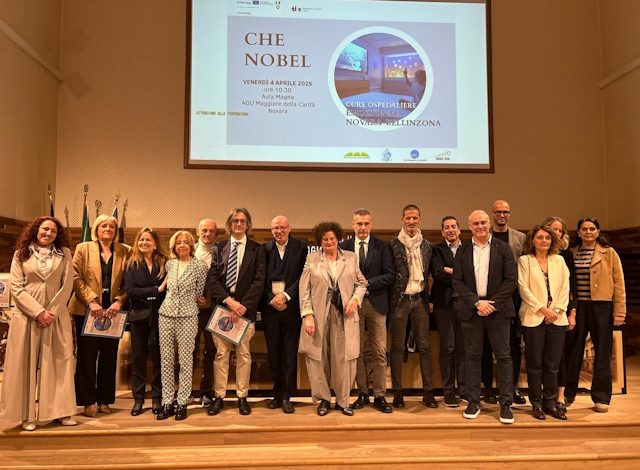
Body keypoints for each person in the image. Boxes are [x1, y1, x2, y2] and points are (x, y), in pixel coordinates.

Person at [0, 217, 77, 431]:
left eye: (53, 231)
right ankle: (26, 415)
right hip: (27, 317)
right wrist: (38, 312)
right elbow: (17, 287)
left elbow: (67, 285)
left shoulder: (64, 254)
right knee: (24, 366)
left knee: (58, 364)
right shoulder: (20, 254)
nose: (48, 233)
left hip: (55, 316)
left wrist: (50, 312)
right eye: (45, 229)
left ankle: (60, 412)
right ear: (35, 230)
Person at [453, 210, 517, 424]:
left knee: (504, 357)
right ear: (469, 226)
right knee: (472, 357)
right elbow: (457, 281)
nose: (480, 226)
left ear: (489, 223)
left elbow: (511, 280)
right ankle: (473, 401)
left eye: (483, 222)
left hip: (499, 311)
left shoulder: (503, 248)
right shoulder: (462, 251)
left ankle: (506, 404)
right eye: (475, 223)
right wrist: (476, 302)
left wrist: (492, 304)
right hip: (472, 310)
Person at [299, 222, 366, 416]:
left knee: (345, 358)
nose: (329, 242)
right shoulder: (311, 259)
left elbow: (362, 284)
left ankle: (343, 401)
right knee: (318, 358)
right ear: (320, 241)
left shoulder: (351, 258)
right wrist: (307, 314)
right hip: (318, 316)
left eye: (332, 239)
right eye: (325, 239)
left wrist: (355, 299)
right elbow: (305, 289)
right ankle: (323, 399)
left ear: (338, 239)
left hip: (344, 315)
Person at [69, 214, 130, 418]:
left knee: (109, 356)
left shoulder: (125, 250)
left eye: (112, 226)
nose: (108, 229)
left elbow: (130, 280)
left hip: (113, 311)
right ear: (96, 229)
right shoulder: (83, 248)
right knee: (87, 357)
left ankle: (104, 400)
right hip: (87, 310)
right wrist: (91, 301)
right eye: (103, 226)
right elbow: (75, 277)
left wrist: (120, 301)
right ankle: (87, 401)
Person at [207, 208, 266, 416]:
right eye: (235, 221)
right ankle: (219, 397)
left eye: (242, 221)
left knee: (244, 355)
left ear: (248, 225)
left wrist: (242, 306)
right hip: (223, 309)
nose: (239, 224)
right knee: (221, 355)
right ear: (229, 225)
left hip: (245, 311)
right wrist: (230, 302)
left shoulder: (257, 250)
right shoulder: (218, 248)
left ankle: (242, 396)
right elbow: (212, 280)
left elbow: (259, 281)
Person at [564, 217, 626, 413]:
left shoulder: (609, 253)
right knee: (573, 351)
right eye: (584, 229)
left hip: (602, 307)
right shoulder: (571, 253)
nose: (588, 232)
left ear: (598, 232)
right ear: (579, 232)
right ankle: (568, 393)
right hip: (577, 307)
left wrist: (620, 311)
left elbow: (619, 283)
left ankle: (601, 397)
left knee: (602, 352)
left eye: (592, 229)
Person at [340, 209, 394, 413]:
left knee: (379, 351)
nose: (362, 227)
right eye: (359, 224)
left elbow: (390, 275)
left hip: (376, 304)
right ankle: (362, 392)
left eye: (366, 224)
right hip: (353, 305)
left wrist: (368, 283)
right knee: (357, 351)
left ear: (371, 225)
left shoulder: (383, 246)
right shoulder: (344, 247)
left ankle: (380, 394)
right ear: (353, 225)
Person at [518, 225, 570, 420]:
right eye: (540, 237)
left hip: (557, 318)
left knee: (552, 364)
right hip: (533, 317)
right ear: (532, 240)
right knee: (535, 364)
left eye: (547, 238)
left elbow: (565, 288)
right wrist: (543, 309)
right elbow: (523, 288)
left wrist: (555, 311)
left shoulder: (559, 260)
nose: (544, 241)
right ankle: (536, 403)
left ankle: (550, 403)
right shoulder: (525, 261)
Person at [156, 230, 208, 421]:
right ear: (174, 246)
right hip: (166, 315)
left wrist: (200, 300)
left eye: (186, 242)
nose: (182, 245)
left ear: (191, 245)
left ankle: (182, 402)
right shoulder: (169, 264)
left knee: (186, 361)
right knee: (166, 361)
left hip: (188, 316)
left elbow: (199, 293)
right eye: (178, 243)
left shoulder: (200, 266)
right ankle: (167, 401)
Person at [389, 205, 437, 409]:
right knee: (397, 347)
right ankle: (397, 392)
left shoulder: (427, 246)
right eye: (408, 218)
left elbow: (433, 272)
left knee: (425, 346)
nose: (411, 221)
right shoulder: (393, 245)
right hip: (400, 301)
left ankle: (428, 392)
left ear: (419, 220)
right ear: (402, 219)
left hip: (420, 300)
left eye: (415, 218)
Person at [261, 215, 307, 414]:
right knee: (273, 353)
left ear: (289, 228)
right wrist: (272, 298)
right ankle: (277, 393)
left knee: (289, 353)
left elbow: (303, 276)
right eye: (275, 228)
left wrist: (286, 296)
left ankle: (287, 395)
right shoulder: (264, 249)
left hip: (291, 308)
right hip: (270, 309)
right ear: (271, 230)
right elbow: (259, 278)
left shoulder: (301, 247)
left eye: (282, 227)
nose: (279, 231)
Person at [123, 227, 167, 416]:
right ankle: (139, 399)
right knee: (138, 358)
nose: (144, 243)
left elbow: (169, 289)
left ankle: (157, 397)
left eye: (148, 240)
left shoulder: (165, 262)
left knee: (159, 358)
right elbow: (130, 291)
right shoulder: (131, 263)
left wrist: (151, 292)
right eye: (141, 240)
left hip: (161, 316)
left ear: (155, 244)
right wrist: (156, 290)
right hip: (138, 316)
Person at [490, 199, 527, 405]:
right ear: (492, 214)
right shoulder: (485, 236)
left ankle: (512, 387)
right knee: (488, 346)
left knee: (513, 345)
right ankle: (489, 388)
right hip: (488, 299)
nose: (502, 215)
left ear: (509, 214)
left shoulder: (520, 238)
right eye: (498, 212)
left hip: (514, 297)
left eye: (505, 212)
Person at [430, 216, 466, 407]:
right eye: (447, 227)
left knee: (463, 348)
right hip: (443, 304)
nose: (450, 230)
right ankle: (448, 391)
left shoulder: (468, 249)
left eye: (453, 226)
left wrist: (451, 270)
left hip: (465, 304)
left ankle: (464, 389)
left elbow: (473, 274)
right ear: (442, 232)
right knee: (448, 347)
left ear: (459, 230)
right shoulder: (436, 249)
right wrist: (461, 274)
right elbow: (437, 273)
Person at [543, 216, 577, 412]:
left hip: (561, 312)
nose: (556, 233)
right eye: (552, 229)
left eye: (559, 230)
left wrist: (571, 312)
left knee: (559, 356)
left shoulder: (566, 256)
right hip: (539, 312)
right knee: (542, 357)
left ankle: (560, 396)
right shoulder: (532, 255)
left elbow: (571, 288)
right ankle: (545, 395)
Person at [192, 218, 218, 407]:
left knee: (212, 351)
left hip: (214, 310)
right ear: (197, 231)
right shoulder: (188, 251)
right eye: (204, 230)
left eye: (211, 231)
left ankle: (206, 392)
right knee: (189, 351)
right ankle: (187, 391)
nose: (207, 234)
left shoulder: (221, 252)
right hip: (191, 311)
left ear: (216, 234)